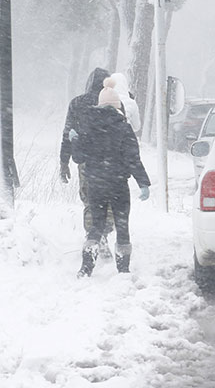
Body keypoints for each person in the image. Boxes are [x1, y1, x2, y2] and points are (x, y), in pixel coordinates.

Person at [73, 77, 151, 276]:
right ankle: (123, 269)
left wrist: (75, 141)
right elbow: (133, 158)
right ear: (118, 106)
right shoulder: (123, 127)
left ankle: (86, 267)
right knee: (122, 226)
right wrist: (143, 183)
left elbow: (78, 158)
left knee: (96, 226)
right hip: (118, 185)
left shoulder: (88, 127)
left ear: (99, 104)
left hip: (95, 185)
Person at [60, 67, 114, 251]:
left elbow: (67, 133)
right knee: (110, 197)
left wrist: (63, 162)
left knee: (90, 199)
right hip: (111, 161)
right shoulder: (114, 102)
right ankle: (104, 233)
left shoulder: (77, 103)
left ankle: (93, 237)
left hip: (85, 160)